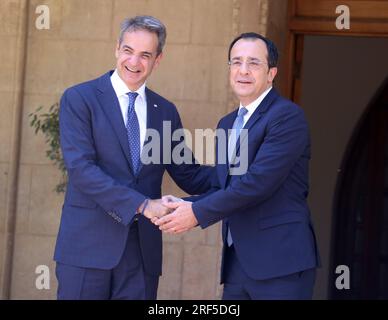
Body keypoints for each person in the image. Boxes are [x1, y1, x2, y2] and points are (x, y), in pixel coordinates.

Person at [54, 15, 212, 300]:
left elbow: (190, 174)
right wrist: (142, 205)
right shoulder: (80, 99)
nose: (134, 62)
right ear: (117, 48)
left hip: (140, 257)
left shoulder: (165, 111)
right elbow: (82, 170)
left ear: (158, 59)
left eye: (145, 55)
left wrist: (242, 171)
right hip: (86, 250)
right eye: (128, 51)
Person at [156, 32, 320, 300]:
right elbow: (222, 184)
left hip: (281, 264)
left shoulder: (287, 117)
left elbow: (257, 184)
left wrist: (196, 212)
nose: (243, 70)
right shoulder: (228, 123)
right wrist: (165, 146)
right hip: (238, 264)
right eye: (236, 62)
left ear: (271, 73)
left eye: (254, 63)